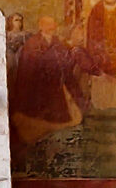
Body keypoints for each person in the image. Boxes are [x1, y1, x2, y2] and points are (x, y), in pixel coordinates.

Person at [10, 16, 85, 144]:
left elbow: (65, 62)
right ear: (41, 26)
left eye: (53, 24)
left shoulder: (57, 42)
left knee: (62, 120)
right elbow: (27, 68)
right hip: (37, 87)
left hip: (55, 87)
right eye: (48, 24)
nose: (51, 27)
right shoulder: (32, 43)